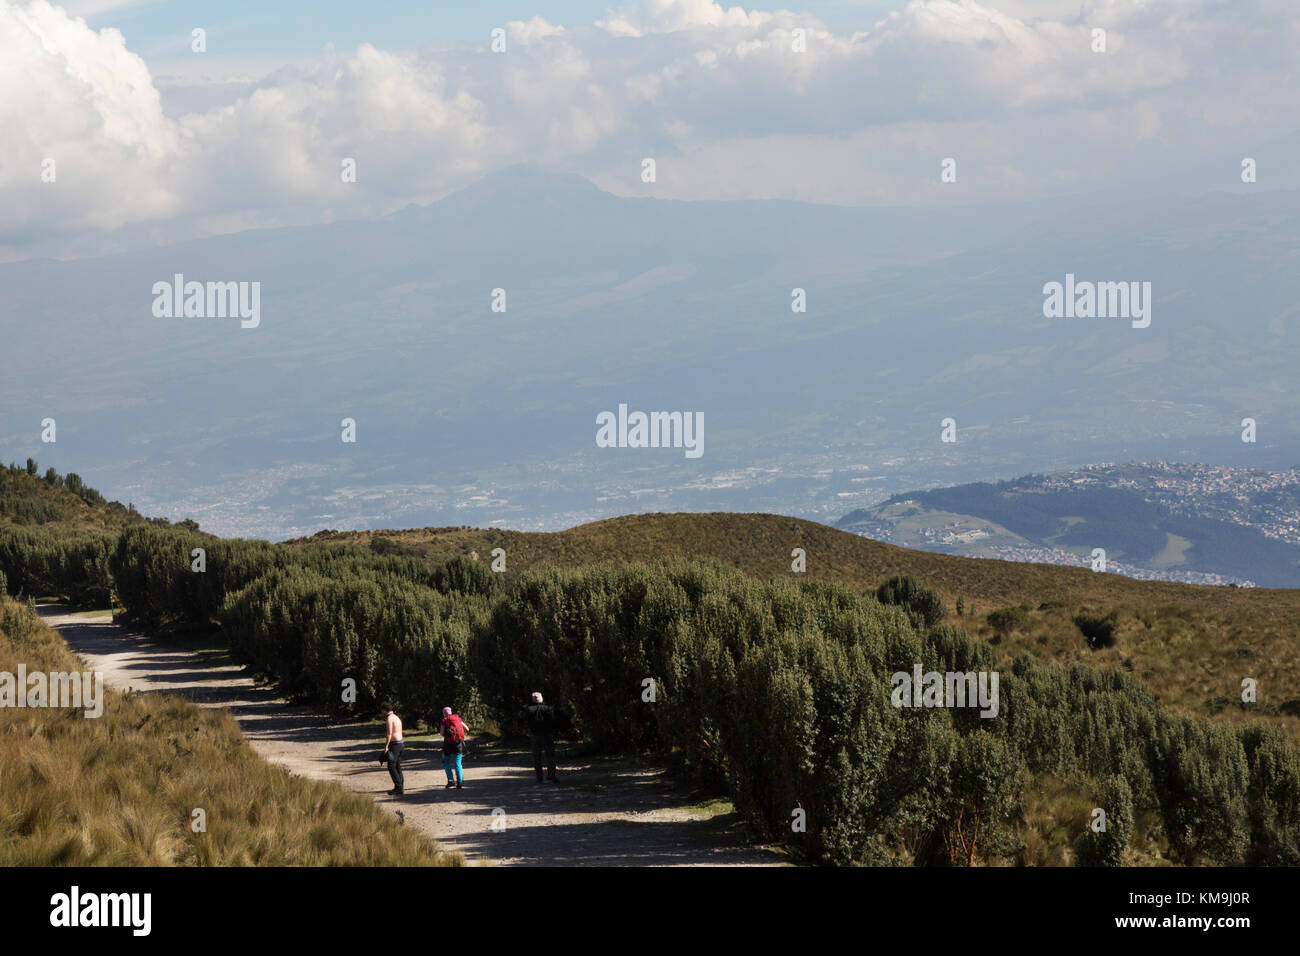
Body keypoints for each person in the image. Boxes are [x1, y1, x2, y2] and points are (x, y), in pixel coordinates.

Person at [517, 691, 560, 783]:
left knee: (537, 758)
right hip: (547, 735)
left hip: (534, 736)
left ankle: (539, 778)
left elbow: (520, 717)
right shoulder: (548, 709)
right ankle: (551, 775)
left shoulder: (528, 709)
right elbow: (555, 720)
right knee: (550, 756)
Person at [440, 705, 468, 789]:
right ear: (451, 712)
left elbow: (441, 733)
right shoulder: (458, 719)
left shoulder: (444, 720)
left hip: (448, 745)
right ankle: (460, 782)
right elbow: (467, 728)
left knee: (446, 761)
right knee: (458, 763)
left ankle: (451, 781)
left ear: (444, 713)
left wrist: (447, 735)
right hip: (458, 744)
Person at [380, 701, 404, 796]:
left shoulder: (389, 719)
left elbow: (389, 734)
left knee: (391, 766)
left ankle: (398, 788)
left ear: (384, 710)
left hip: (395, 744)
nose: (381, 712)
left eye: (382, 710)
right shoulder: (396, 717)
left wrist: (386, 747)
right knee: (397, 765)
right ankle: (399, 786)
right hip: (401, 743)